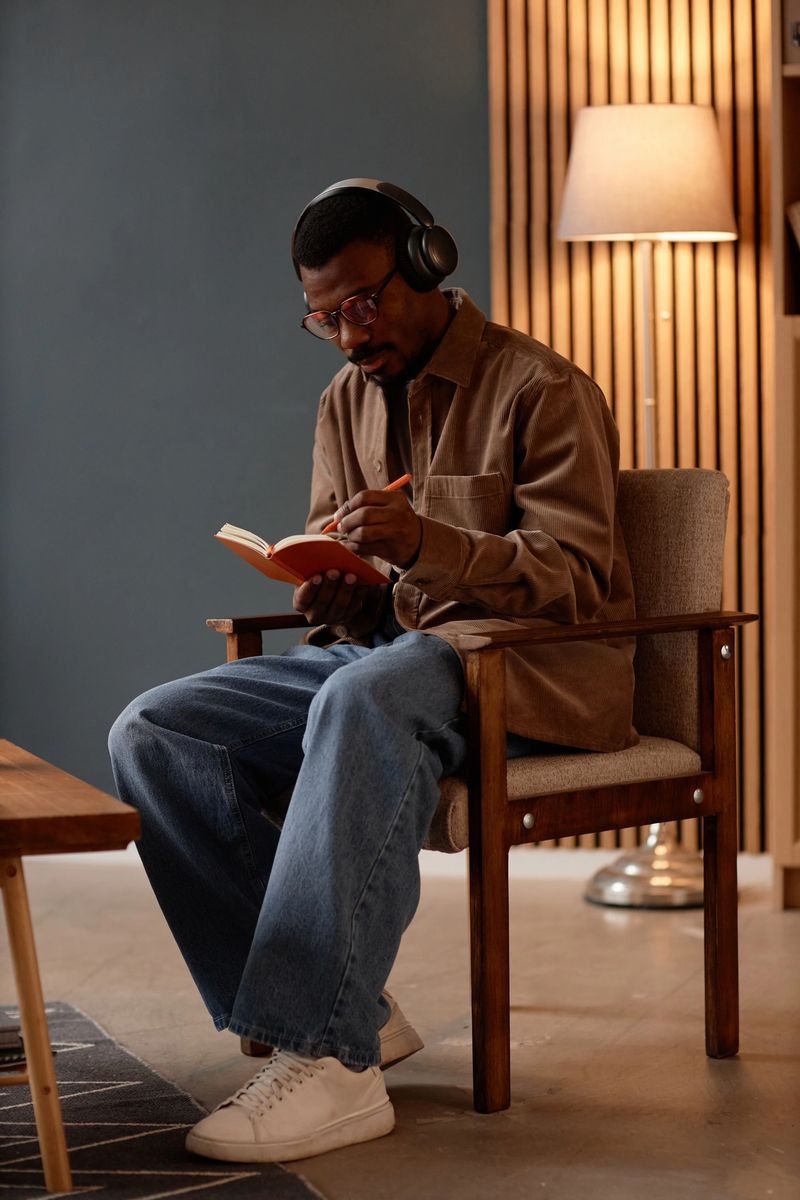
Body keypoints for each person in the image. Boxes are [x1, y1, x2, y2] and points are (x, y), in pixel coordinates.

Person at [108, 178, 637, 1164]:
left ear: (428, 265)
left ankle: (332, 1061)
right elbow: (359, 567)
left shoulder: (542, 391)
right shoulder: (344, 400)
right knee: (154, 731)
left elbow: (576, 578)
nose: (348, 335)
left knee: (359, 693)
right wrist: (339, 590)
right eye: (322, 318)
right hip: (394, 659)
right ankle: (354, 1011)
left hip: (524, 669)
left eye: (362, 303)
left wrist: (433, 543)